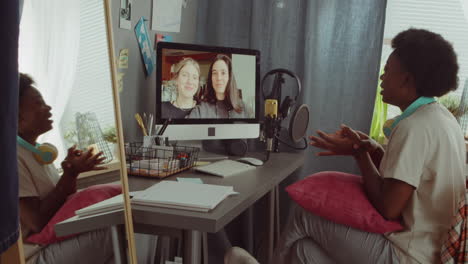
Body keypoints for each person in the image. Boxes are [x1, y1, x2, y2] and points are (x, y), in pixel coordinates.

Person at [273, 28, 466, 264]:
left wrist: (360, 155)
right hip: (431, 251)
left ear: (406, 79)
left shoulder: (415, 127)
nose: (382, 78)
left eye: (386, 72)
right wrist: (373, 149)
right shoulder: (443, 119)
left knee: (304, 213)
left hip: (409, 256)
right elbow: (410, 179)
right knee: (304, 251)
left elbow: (389, 206)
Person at [17, 73, 114, 264]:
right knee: (119, 229)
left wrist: (72, 172)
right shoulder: (11, 157)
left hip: (50, 243)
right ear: (15, 115)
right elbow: (36, 221)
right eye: (38, 103)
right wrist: (68, 174)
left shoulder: (36, 152)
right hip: (33, 255)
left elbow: (60, 204)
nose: (48, 108)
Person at [187, 54, 251, 118]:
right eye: (214, 73)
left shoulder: (244, 108)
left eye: (223, 73)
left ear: (230, 77)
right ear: (211, 78)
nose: (219, 78)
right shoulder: (200, 109)